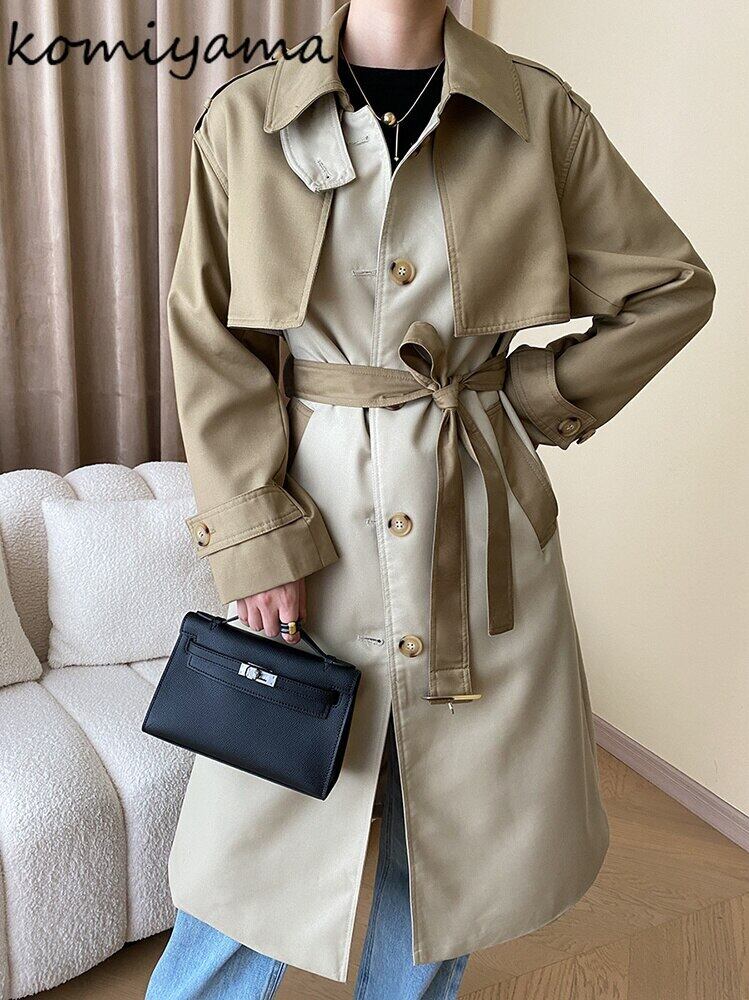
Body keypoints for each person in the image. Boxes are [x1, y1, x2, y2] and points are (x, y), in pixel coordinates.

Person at [147, 0, 715, 996]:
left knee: (448, 838)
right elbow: (211, 345)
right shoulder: (247, 120)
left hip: (479, 525)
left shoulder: (540, 116)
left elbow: (671, 287)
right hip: (312, 529)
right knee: (253, 847)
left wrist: (531, 396)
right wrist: (256, 541)